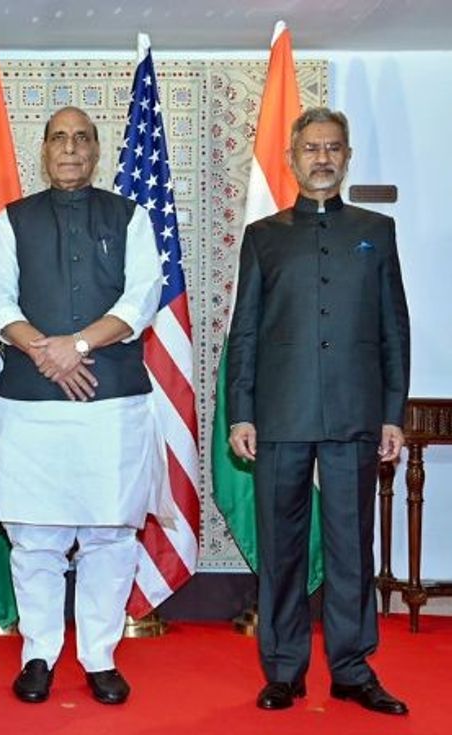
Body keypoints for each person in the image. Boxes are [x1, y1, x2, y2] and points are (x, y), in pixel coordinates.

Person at [0, 106, 166, 705]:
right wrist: (46, 352)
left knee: (110, 534)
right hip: (30, 404)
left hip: (111, 403)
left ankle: (99, 656)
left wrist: (77, 345)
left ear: (96, 150)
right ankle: (38, 652)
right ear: (44, 149)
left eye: (81, 138)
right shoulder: (10, 221)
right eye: (58, 137)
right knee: (35, 537)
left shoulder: (131, 217)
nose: (70, 148)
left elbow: (142, 298)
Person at [227, 107, 411, 715]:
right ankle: (283, 669)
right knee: (282, 546)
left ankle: (353, 670)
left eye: (333, 147)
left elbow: (393, 329)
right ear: (292, 158)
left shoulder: (376, 231)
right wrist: (240, 412)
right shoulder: (265, 235)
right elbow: (245, 331)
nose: (323, 157)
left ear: (347, 156)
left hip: (356, 415)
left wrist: (392, 412)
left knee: (352, 547)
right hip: (279, 414)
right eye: (311, 148)